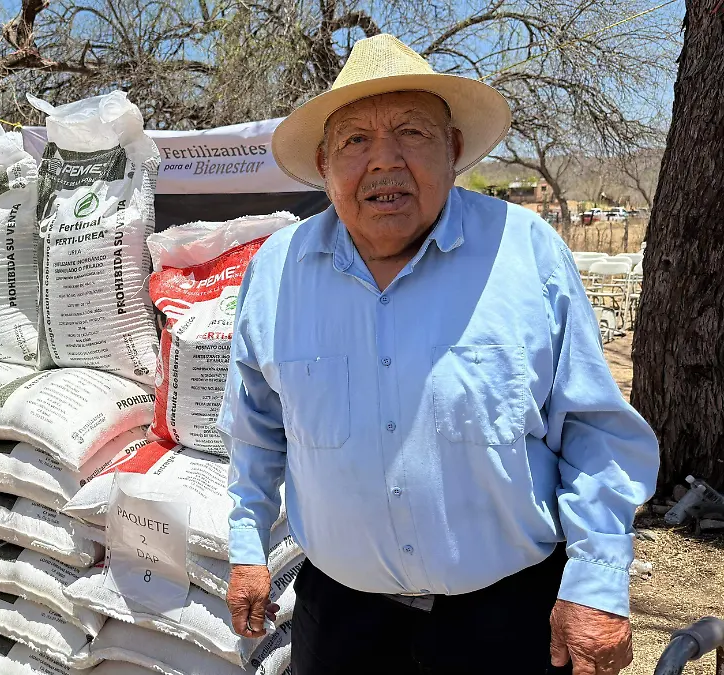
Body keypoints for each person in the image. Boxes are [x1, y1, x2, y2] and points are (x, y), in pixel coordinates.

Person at [220, 34, 659, 675]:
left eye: (411, 133)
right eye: (355, 141)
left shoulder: (526, 251)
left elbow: (593, 428)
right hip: (342, 622)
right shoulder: (276, 273)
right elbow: (256, 431)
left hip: (505, 621)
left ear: (452, 149)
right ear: (323, 163)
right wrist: (246, 545)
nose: (384, 162)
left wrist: (596, 583)